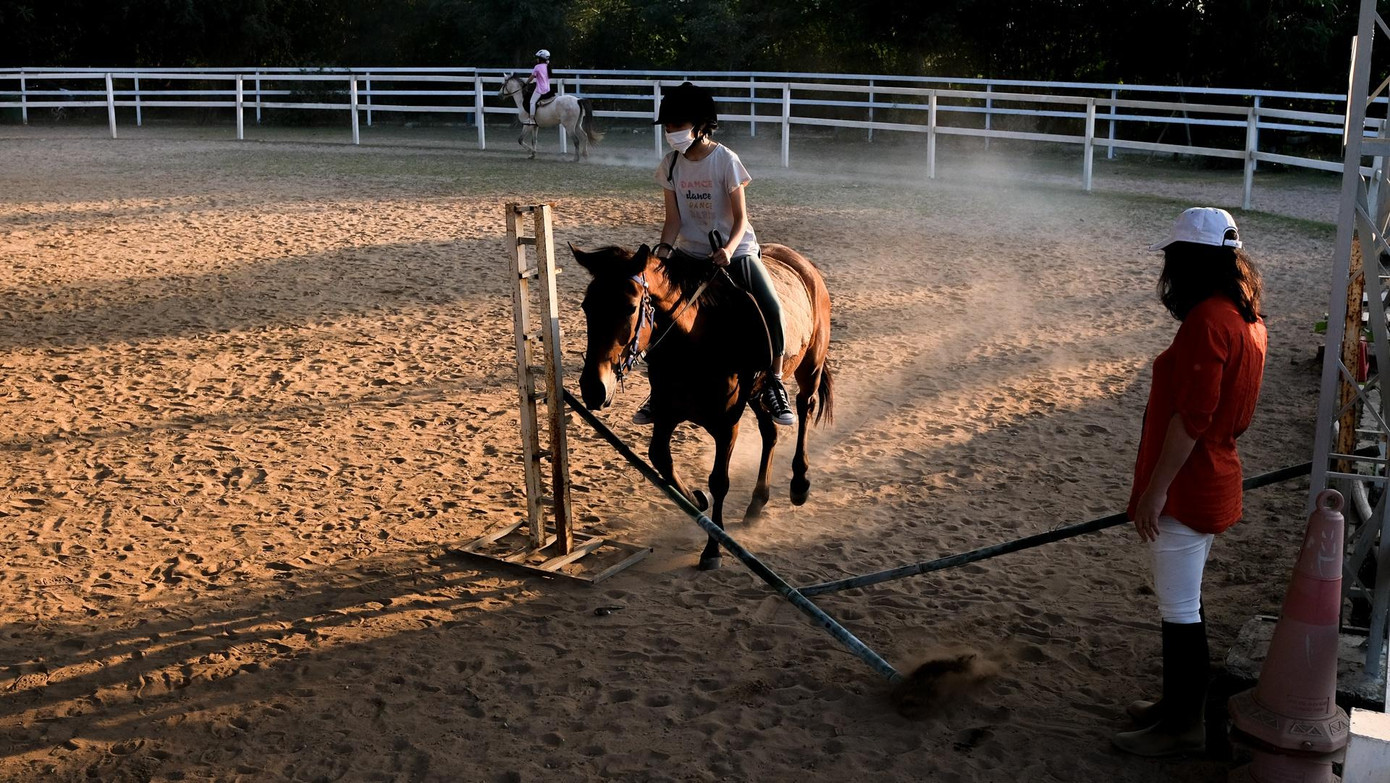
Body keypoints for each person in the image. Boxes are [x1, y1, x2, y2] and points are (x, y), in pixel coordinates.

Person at [1114, 207, 1268, 758]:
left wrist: (1155, 491)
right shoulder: (1248, 319)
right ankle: (1175, 706)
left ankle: (1183, 724)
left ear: (1189, 261)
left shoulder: (1209, 320)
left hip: (1189, 482)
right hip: (1215, 473)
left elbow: (1191, 418)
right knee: (1186, 602)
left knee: (1179, 609)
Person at [635, 81, 795, 427]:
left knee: (770, 307)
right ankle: (658, 390)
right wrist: (663, 253)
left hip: (735, 253)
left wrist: (729, 249)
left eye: (676, 125)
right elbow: (673, 219)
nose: (670, 132)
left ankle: (775, 381)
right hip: (688, 254)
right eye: (667, 126)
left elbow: (741, 219)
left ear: (700, 125)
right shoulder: (670, 165)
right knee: (658, 312)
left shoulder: (726, 160)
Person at [525, 49, 552, 124]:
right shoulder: (547, 65)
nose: (536, 59)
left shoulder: (537, 67)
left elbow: (531, 77)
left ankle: (531, 119)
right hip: (548, 88)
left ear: (541, 59)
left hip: (540, 89)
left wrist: (526, 83)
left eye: (537, 58)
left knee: (532, 102)